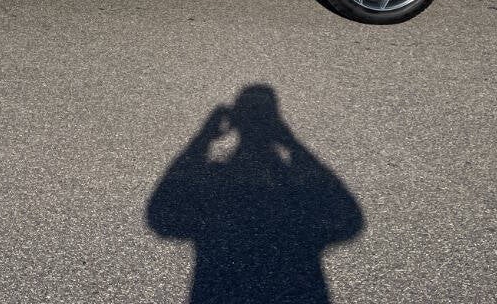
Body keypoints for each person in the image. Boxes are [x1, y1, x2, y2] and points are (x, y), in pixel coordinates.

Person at [147, 85, 363, 304]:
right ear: (276, 123)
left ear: (236, 122)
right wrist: (293, 144)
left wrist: (202, 139)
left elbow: (160, 212)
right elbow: (349, 218)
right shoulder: (297, 193)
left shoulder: (216, 189)